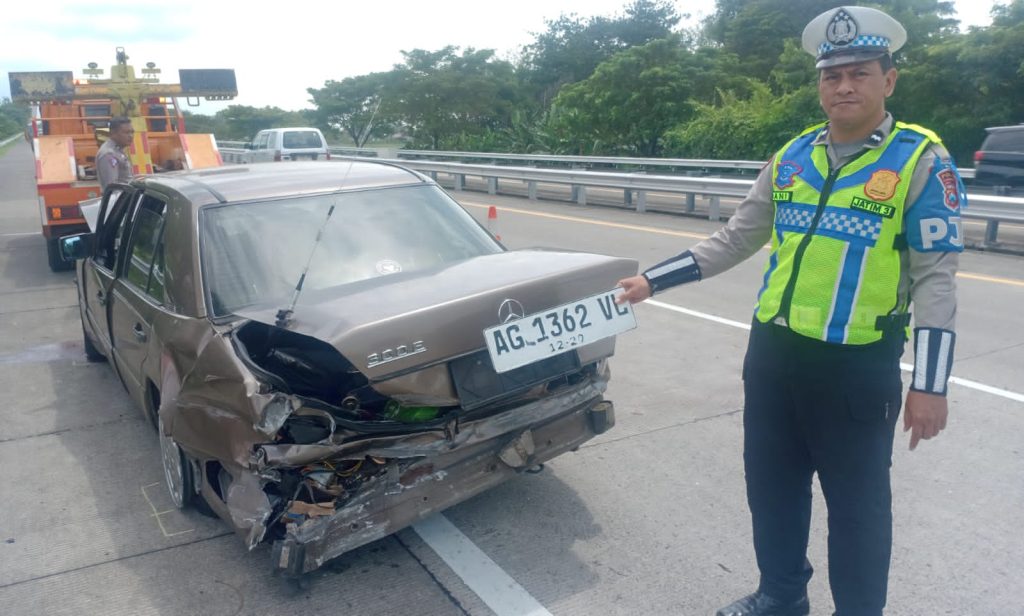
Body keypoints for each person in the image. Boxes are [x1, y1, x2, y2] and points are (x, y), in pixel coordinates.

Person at [616, 6, 965, 616]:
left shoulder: (920, 162)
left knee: (859, 508)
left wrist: (930, 386)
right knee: (772, 488)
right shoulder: (793, 156)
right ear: (820, 85)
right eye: (833, 76)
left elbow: (937, 279)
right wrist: (651, 281)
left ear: (890, 80)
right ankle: (781, 593)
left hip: (857, 364)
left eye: (860, 72)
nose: (845, 86)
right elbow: (733, 239)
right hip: (774, 357)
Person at [96, 116, 134, 191]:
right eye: (126, 132)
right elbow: (112, 187)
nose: (131, 136)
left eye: (132, 132)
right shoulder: (109, 154)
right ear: (113, 133)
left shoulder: (118, 150)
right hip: (118, 200)